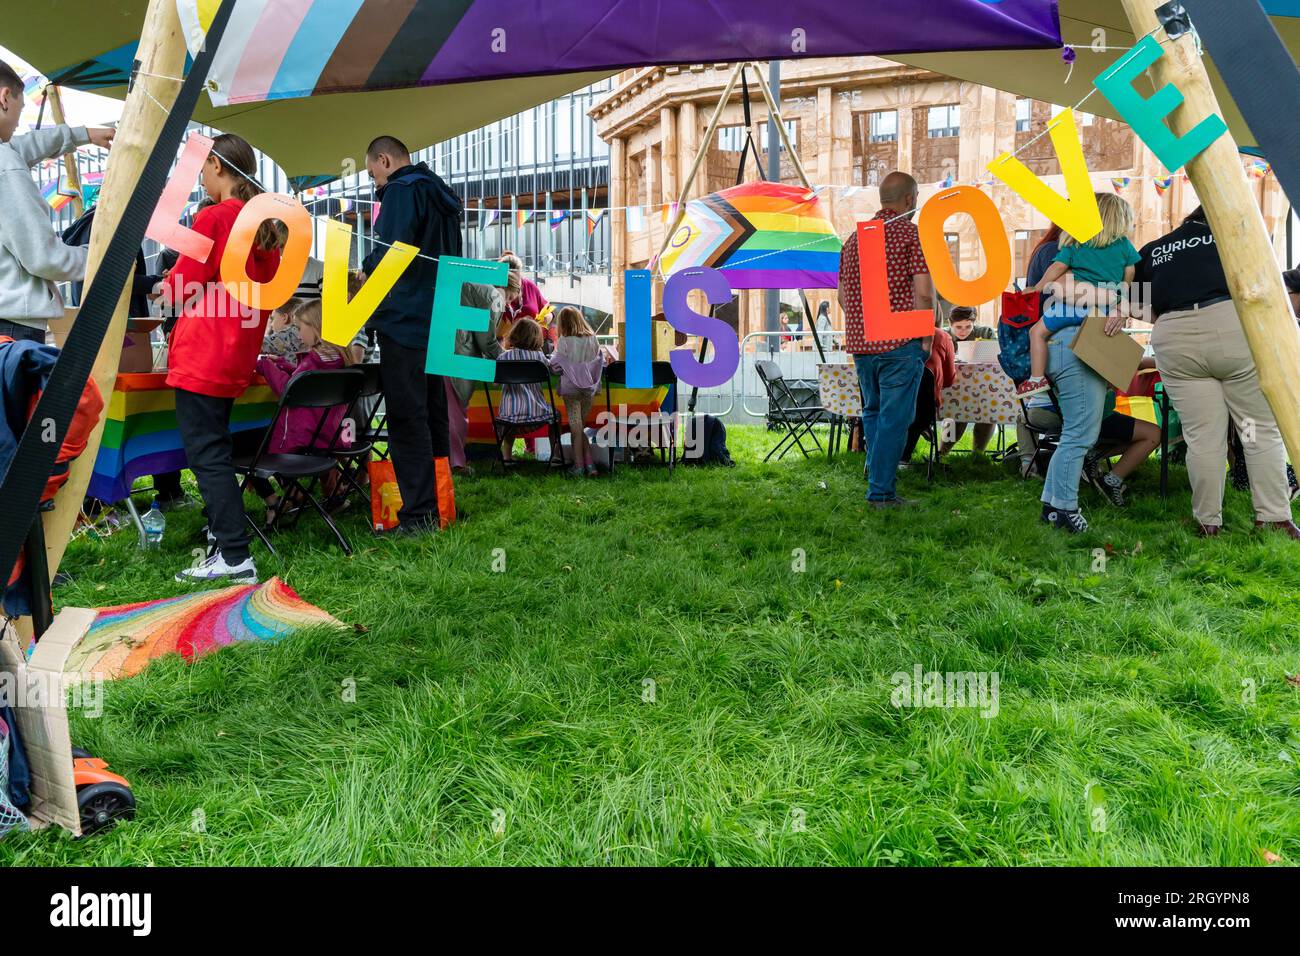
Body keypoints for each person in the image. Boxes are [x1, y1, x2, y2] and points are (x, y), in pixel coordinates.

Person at [159, 132, 282, 582]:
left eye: (203, 169)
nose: (200, 178)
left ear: (216, 166)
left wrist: (163, 285)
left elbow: (178, 288)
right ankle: (222, 545)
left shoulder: (213, 218)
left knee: (207, 454)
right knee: (217, 448)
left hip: (204, 352)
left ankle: (234, 556)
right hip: (236, 353)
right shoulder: (265, 227)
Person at [1137, 207, 1298, 539]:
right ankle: (1273, 517)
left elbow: (1138, 304)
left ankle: (1207, 521)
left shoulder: (1154, 249)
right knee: (1256, 431)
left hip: (1174, 337)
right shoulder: (1237, 233)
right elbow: (1263, 284)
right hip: (1231, 330)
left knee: (1203, 438)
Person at [361, 135, 463, 533]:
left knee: (407, 417)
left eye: (374, 176)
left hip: (405, 318)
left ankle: (418, 515)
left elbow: (392, 253)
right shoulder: (441, 194)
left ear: (385, 160)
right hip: (439, 314)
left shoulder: (401, 192)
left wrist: (365, 267)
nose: (376, 186)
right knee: (434, 411)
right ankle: (440, 504)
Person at [1018, 208, 1120, 532]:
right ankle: (1063, 509)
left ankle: (1053, 507)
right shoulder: (1067, 256)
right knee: (1079, 435)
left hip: (1070, 344)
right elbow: (1064, 293)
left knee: (1077, 434)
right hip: (1075, 345)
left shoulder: (1063, 252)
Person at [837, 171, 933, 507]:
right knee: (897, 419)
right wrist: (927, 336)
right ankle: (881, 492)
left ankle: (877, 477)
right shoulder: (910, 233)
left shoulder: (854, 239)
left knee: (874, 413)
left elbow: (842, 297)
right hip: (900, 343)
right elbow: (923, 293)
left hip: (863, 345)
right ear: (910, 199)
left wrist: (863, 327)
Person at [0, 60, 114, 343]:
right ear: (4, 98)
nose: (17, 123)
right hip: (13, 326)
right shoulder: (5, 164)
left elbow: (24, 145)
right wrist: (100, 257)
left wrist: (83, 134)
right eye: (19, 108)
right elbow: (44, 257)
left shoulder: (7, 156)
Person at [1020, 193, 1140, 398]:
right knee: (1105, 345)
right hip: (1100, 311)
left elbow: (1058, 268)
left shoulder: (1074, 242)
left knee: (1036, 333)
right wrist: (1120, 295)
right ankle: (1110, 385)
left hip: (1068, 309)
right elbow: (1130, 272)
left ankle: (1036, 379)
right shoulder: (1124, 246)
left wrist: (1038, 287)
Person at [252, 299, 353, 525]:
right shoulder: (337, 359)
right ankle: (294, 494)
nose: (298, 335)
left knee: (254, 446)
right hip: (331, 438)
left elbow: (286, 390)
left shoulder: (312, 364)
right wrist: (286, 365)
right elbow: (302, 380)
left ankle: (279, 499)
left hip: (303, 441)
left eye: (300, 328)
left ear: (316, 328)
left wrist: (266, 365)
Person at [446, 282, 504, 475]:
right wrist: (505, 357)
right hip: (459, 357)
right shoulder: (494, 295)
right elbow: (486, 339)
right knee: (456, 412)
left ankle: (450, 460)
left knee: (449, 410)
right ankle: (456, 463)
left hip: (447, 349)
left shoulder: (470, 287)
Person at [548, 306, 606, 477]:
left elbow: (556, 365)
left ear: (562, 324)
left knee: (576, 428)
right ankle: (591, 466)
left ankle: (579, 467)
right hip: (589, 390)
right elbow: (599, 362)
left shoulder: (565, 341)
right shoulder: (592, 339)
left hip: (571, 390)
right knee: (579, 427)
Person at [495, 317, 551, 466]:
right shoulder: (539, 358)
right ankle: (556, 454)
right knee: (555, 417)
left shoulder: (503, 357)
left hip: (509, 417)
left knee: (509, 418)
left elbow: (495, 383)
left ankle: (507, 456)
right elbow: (551, 371)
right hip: (537, 413)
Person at [902, 321, 955, 463]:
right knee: (918, 414)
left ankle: (876, 459)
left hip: (888, 402)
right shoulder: (942, 336)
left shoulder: (889, 334)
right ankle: (903, 457)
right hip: (923, 408)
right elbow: (949, 380)